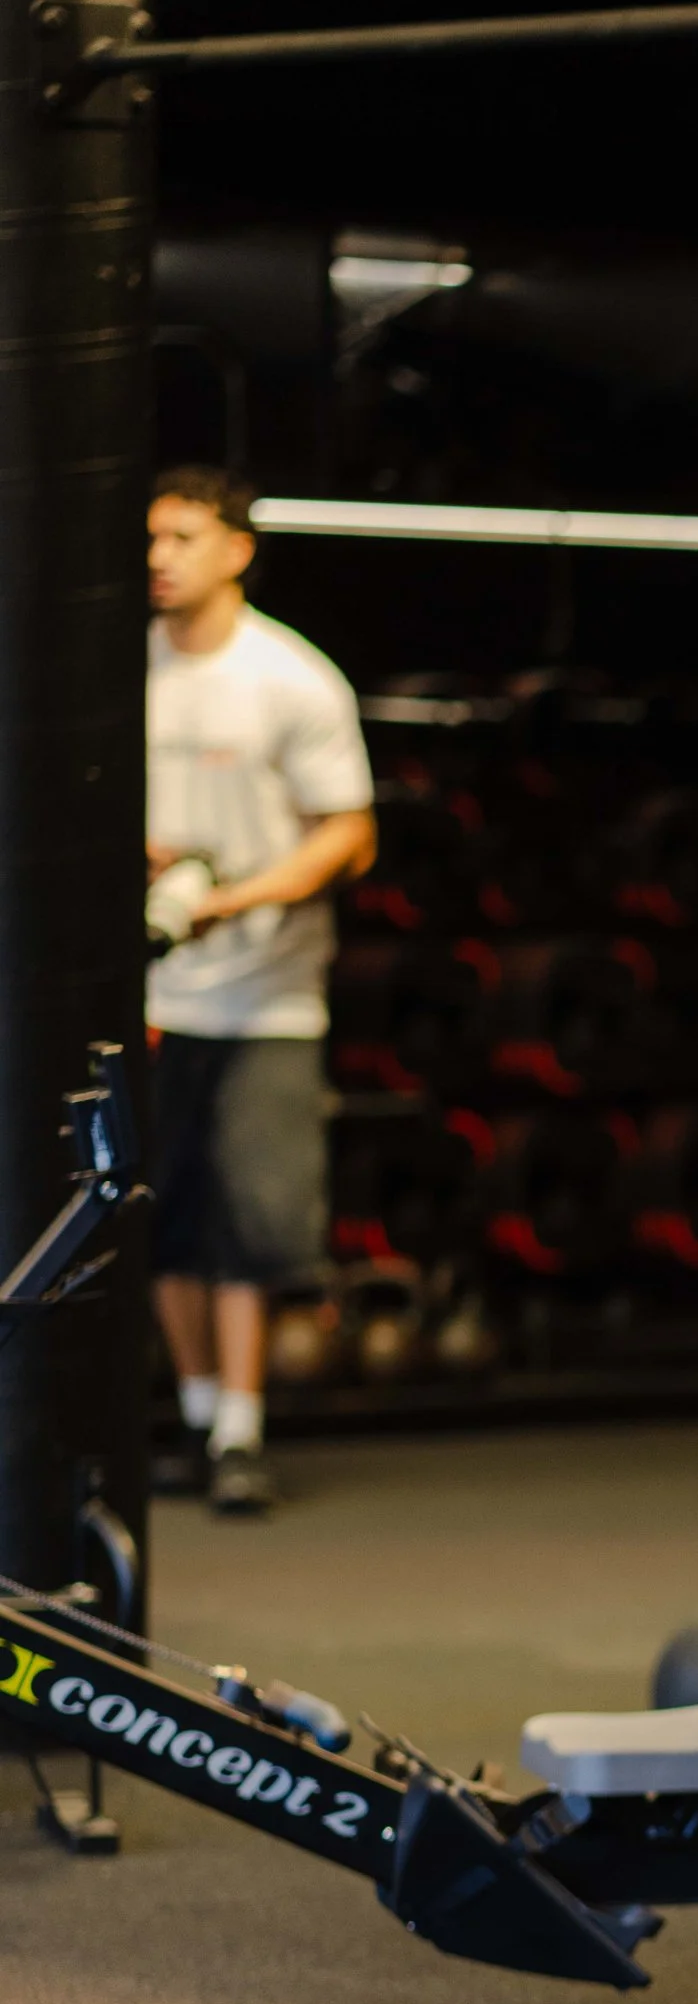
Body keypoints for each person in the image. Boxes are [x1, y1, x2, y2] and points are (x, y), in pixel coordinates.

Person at [144, 470, 376, 1516]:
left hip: (265, 996)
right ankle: (195, 1415)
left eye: (183, 537)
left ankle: (242, 1433)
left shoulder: (291, 680)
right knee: (161, 1214)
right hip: (154, 993)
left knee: (248, 1218)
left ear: (237, 549)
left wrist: (236, 900)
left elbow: (349, 834)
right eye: (151, 539)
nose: (160, 557)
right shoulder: (123, 670)